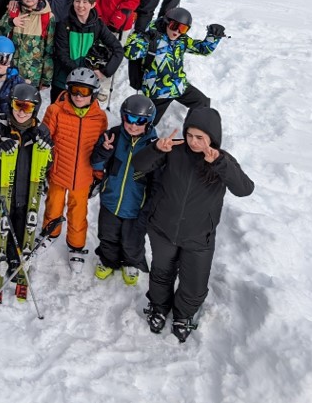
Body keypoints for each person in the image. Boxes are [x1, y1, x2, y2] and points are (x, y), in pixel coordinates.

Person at [133, 107, 254, 341]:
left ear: (213, 138)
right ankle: (158, 307)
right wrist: (156, 149)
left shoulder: (222, 160)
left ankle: (184, 315)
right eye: (189, 135)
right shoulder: (173, 149)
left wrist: (219, 163)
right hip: (163, 230)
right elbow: (139, 165)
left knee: (194, 282)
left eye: (200, 137)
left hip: (199, 237)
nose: (193, 142)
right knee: (161, 274)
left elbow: (245, 189)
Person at [0, 84, 54, 299]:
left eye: (27, 107)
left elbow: (47, 164)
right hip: (1, 189)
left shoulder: (41, 131)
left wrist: (47, 150)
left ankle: (14, 255)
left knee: (21, 225)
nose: (21, 111)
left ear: (35, 109)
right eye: (17, 105)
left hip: (25, 191)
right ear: (11, 104)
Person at [41, 67, 110, 272]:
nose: (78, 96)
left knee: (78, 212)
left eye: (85, 91)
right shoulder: (55, 110)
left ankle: (76, 246)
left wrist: (98, 176)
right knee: (53, 205)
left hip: (83, 175)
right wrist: (43, 170)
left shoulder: (99, 118)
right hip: (58, 171)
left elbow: (100, 150)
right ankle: (50, 233)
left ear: (94, 93)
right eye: (75, 90)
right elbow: (44, 141)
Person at [91, 94, 158, 286]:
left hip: (136, 204)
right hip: (111, 200)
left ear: (149, 122)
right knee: (108, 235)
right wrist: (104, 150)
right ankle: (108, 260)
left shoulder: (153, 146)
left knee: (132, 240)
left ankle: (131, 262)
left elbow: (157, 180)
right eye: (129, 119)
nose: (134, 125)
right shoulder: (114, 136)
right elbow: (96, 162)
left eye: (140, 121)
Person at [124, 8, 224, 123]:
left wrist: (214, 36)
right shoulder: (152, 38)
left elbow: (202, 49)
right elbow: (129, 53)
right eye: (174, 26)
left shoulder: (182, 40)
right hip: (158, 90)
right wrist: (140, 37)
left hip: (178, 85)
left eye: (183, 28)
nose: (177, 31)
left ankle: (193, 132)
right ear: (166, 22)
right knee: (146, 125)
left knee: (202, 102)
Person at [51, 0, 123, 103]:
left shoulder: (98, 25)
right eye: (77, 1)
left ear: (93, 4)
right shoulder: (64, 25)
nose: (81, 5)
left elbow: (118, 50)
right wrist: (80, 73)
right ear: (73, 2)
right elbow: (61, 54)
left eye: (85, 2)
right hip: (63, 80)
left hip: (87, 84)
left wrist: (105, 71)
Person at [0, 0, 55, 91]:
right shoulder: (14, 11)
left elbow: (49, 50)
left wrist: (46, 79)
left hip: (32, 76)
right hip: (10, 72)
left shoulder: (47, 17)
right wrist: (10, 23)